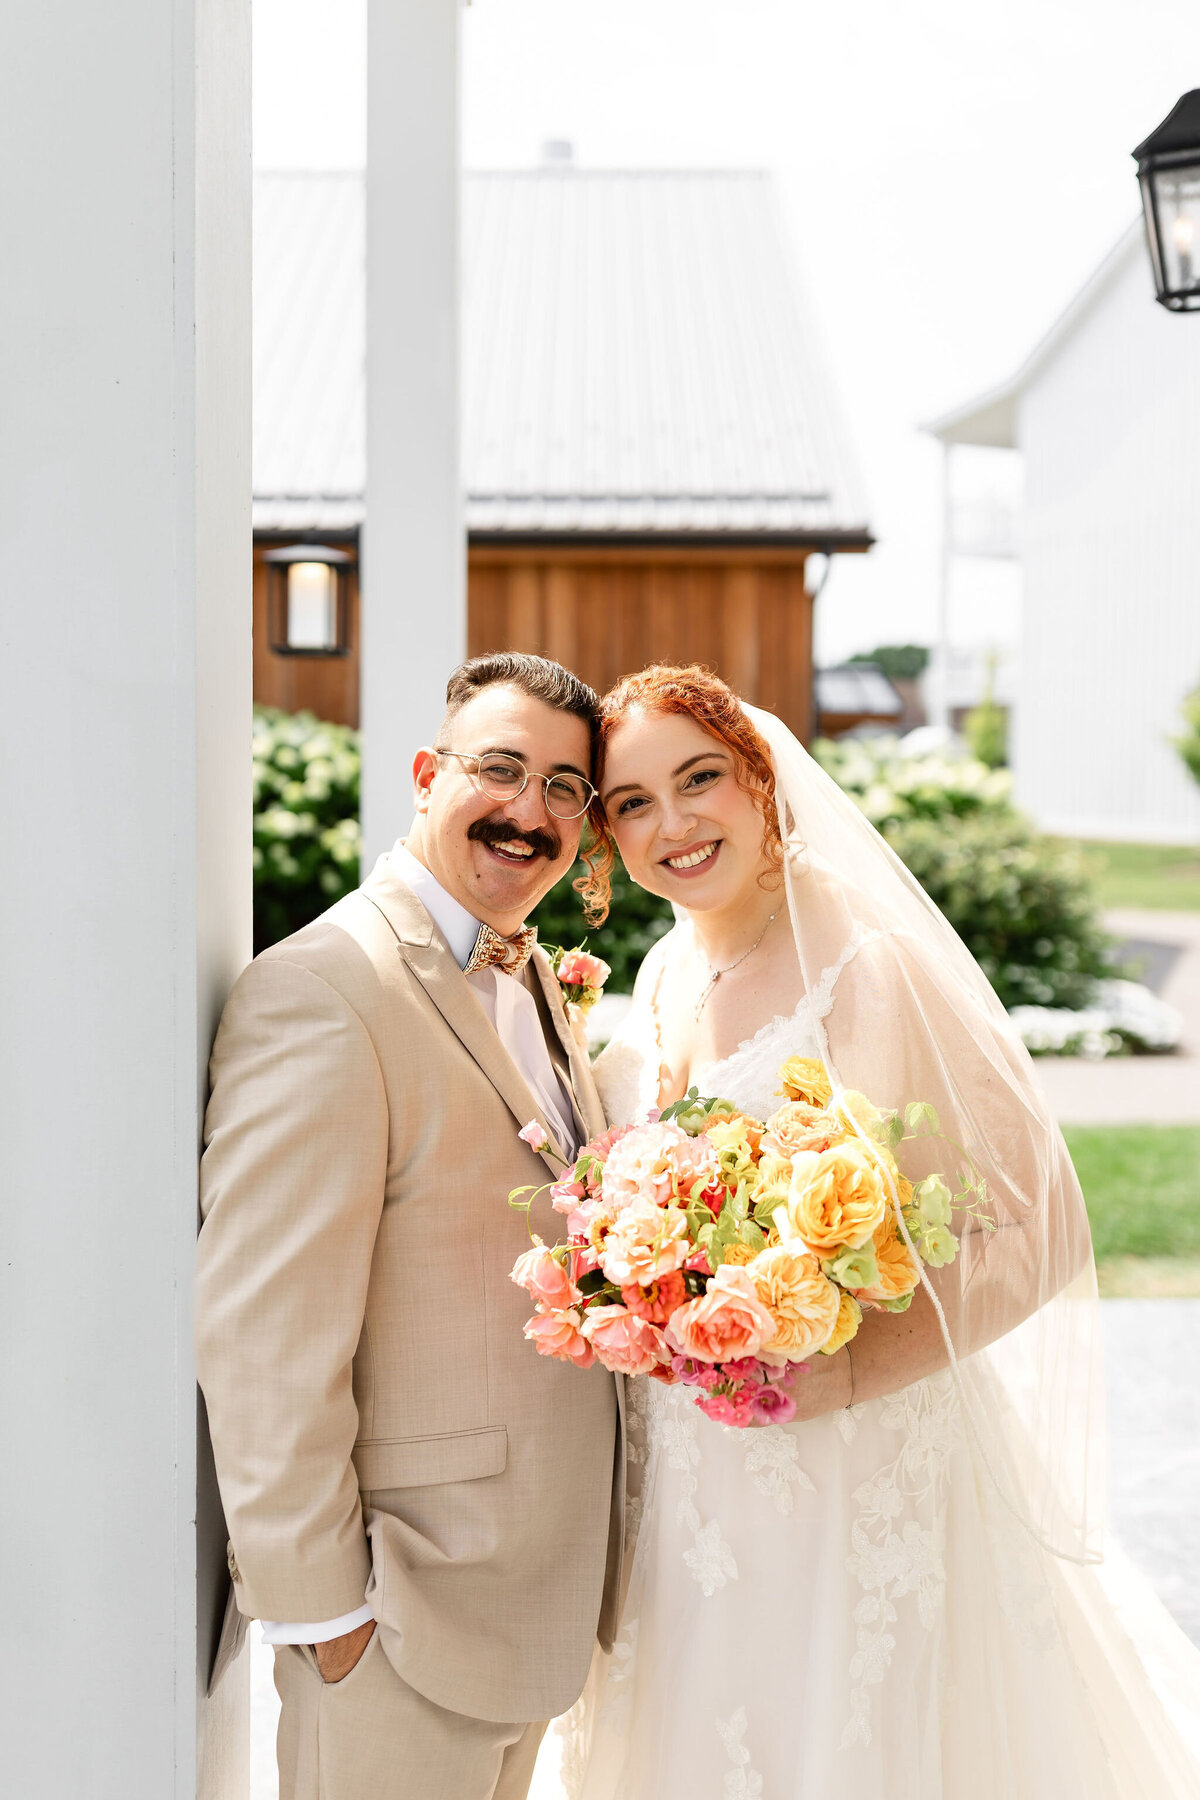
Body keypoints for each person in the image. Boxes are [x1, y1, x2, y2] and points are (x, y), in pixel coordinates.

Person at [533, 663, 1200, 1800]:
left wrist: (841, 1374)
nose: (673, 823)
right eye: (633, 802)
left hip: (854, 1460)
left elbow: (1042, 1224)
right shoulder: (662, 971)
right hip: (688, 1478)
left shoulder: (865, 964)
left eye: (700, 780)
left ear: (762, 780)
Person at [196, 653, 624, 1800]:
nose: (531, 810)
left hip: (525, 1608)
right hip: (397, 1624)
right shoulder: (325, 990)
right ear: (429, 776)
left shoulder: (535, 981)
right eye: (502, 769)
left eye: (566, 788)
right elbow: (263, 1331)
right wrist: (326, 1619)